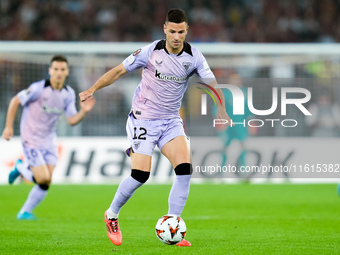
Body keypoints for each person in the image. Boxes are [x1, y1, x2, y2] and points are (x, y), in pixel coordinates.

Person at [79, 8, 229, 247]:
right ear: (165, 29)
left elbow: (211, 83)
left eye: (181, 32)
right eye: (172, 31)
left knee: (184, 170)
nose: (177, 37)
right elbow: (118, 70)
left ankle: (173, 225)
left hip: (170, 121)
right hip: (143, 119)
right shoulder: (150, 52)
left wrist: (220, 107)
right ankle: (112, 214)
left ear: (187, 30)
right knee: (141, 175)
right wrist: (92, 89)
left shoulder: (195, 56)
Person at [2, 55, 96, 220]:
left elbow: (71, 120)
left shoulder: (68, 93)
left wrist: (84, 111)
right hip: (30, 138)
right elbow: (15, 101)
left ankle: (24, 212)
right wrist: (9, 127)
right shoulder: (38, 88)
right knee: (43, 177)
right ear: (50, 71)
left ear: (67, 72)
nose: (59, 73)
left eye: (62, 69)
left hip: (49, 140)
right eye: (56, 69)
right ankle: (20, 167)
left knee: (46, 182)